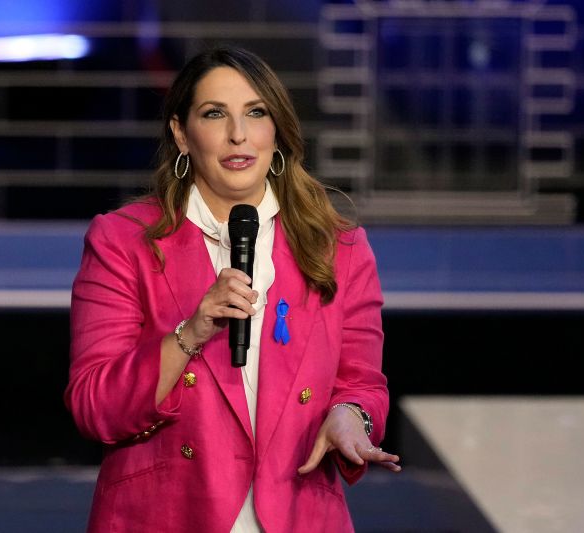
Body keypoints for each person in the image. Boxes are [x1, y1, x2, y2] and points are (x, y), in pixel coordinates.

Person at [65, 46, 400, 533]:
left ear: (276, 131)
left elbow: (362, 384)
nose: (238, 134)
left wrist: (351, 417)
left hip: (296, 512)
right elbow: (95, 407)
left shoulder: (340, 248)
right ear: (182, 134)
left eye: (255, 113)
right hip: (166, 515)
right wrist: (191, 332)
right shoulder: (123, 241)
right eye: (215, 114)